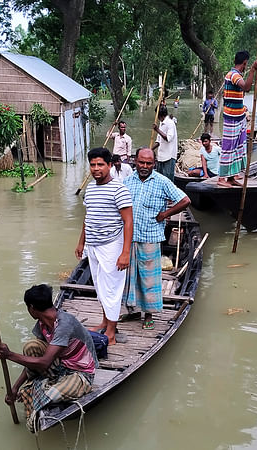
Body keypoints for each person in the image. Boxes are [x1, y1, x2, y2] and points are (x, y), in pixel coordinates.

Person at [0, 284, 98, 432]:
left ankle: (41, 392)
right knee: (31, 346)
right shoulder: (42, 324)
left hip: (80, 373)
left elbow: (43, 363)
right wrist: (15, 388)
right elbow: (35, 361)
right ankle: (39, 388)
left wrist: (9, 355)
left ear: (32, 308)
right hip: (60, 364)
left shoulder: (64, 324)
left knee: (49, 394)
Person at [123, 147, 191, 330]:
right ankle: (133, 310)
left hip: (150, 237)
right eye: (141, 162)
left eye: (148, 163)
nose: (144, 166)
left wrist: (165, 214)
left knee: (149, 278)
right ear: (135, 162)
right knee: (131, 277)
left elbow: (185, 200)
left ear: (154, 164)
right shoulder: (127, 181)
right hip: (129, 237)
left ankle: (148, 314)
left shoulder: (162, 181)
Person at [75, 147, 133, 345]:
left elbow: (128, 221)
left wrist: (125, 252)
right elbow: (88, 216)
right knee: (100, 287)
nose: (96, 168)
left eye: (100, 164)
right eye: (92, 165)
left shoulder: (119, 189)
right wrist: (81, 242)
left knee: (112, 288)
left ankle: (111, 332)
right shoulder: (91, 188)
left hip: (111, 244)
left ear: (110, 165)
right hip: (93, 244)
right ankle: (104, 321)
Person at [220, 50, 257, 187]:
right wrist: (252, 71)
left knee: (238, 148)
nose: (246, 66)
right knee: (228, 147)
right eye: (246, 64)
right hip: (231, 118)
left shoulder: (236, 75)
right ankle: (221, 179)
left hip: (239, 117)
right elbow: (247, 87)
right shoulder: (234, 75)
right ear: (244, 63)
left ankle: (231, 178)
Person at [152, 105, 178, 181]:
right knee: (159, 179)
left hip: (169, 156)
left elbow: (168, 138)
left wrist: (157, 130)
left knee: (167, 180)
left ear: (160, 115)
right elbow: (158, 141)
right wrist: (150, 149)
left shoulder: (170, 123)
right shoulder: (161, 123)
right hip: (161, 156)